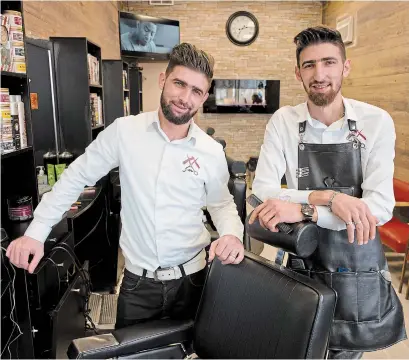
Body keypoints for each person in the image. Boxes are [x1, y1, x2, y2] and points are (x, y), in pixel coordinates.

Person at [6, 43, 244, 329]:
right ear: (162, 80)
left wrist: (232, 234)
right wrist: (36, 232)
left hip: (193, 280)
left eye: (196, 91)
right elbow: (76, 177)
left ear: (204, 97)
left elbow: (221, 204)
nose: (185, 97)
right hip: (137, 285)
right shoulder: (125, 131)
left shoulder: (210, 150)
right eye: (179, 83)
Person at [250, 26, 406, 359]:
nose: (319, 74)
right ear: (298, 72)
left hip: (356, 266)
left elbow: (377, 207)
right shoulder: (283, 121)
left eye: (329, 62)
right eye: (309, 65)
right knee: (295, 348)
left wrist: (304, 211)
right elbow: (263, 189)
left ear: (345, 67)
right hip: (300, 262)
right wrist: (325, 198)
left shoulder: (376, 121)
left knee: (344, 353)